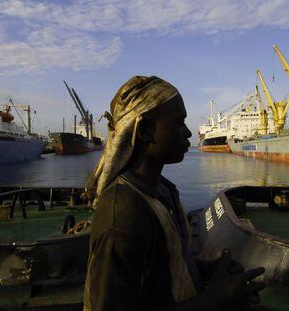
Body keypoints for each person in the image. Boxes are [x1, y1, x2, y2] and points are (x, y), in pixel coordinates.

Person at [84, 76, 265, 311]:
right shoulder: (123, 217)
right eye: (179, 123)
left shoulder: (162, 191)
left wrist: (206, 268)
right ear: (146, 130)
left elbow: (165, 264)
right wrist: (215, 300)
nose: (189, 133)